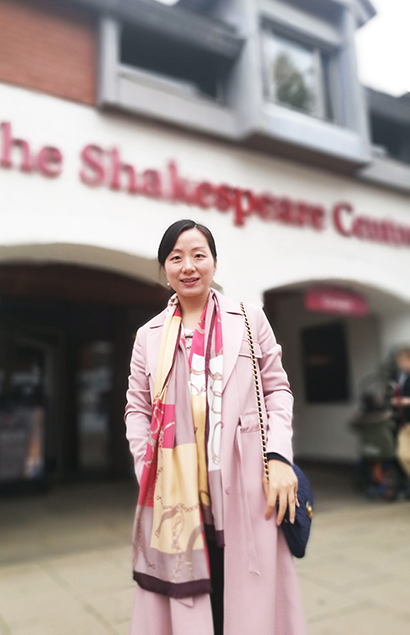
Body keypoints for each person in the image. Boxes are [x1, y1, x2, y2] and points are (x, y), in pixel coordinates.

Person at [124, 220, 306, 635]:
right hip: (175, 495)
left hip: (248, 488)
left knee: (249, 606)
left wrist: (279, 456)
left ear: (214, 263)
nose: (188, 266)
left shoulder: (249, 319)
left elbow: (277, 390)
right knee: (191, 607)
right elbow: (137, 408)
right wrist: (146, 465)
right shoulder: (148, 336)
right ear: (164, 269)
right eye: (176, 258)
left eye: (198, 255)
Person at [391, 346, 410, 479]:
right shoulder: (401, 376)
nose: (400, 364)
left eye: (402, 360)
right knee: (402, 455)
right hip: (405, 422)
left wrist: (408, 401)